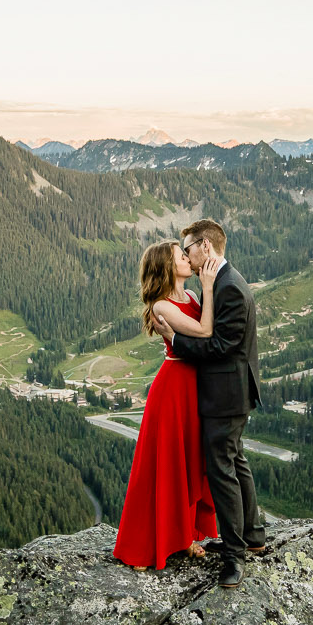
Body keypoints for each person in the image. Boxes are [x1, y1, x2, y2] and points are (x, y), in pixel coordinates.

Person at [167, 218, 266, 590]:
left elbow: (220, 347)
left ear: (205, 246)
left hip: (226, 396)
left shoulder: (230, 290)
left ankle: (234, 557)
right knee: (236, 460)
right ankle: (253, 534)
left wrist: (175, 341)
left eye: (189, 248)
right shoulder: (224, 282)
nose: (188, 258)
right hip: (231, 393)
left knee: (221, 469)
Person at [112, 240, 222, 570]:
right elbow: (205, 330)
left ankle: (183, 535)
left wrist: (202, 291)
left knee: (187, 461)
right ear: (168, 267)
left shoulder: (187, 297)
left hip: (192, 387)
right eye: (182, 256)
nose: (189, 259)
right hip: (174, 389)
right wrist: (209, 285)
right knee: (165, 463)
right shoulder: (162, 306)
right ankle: (145, 546)